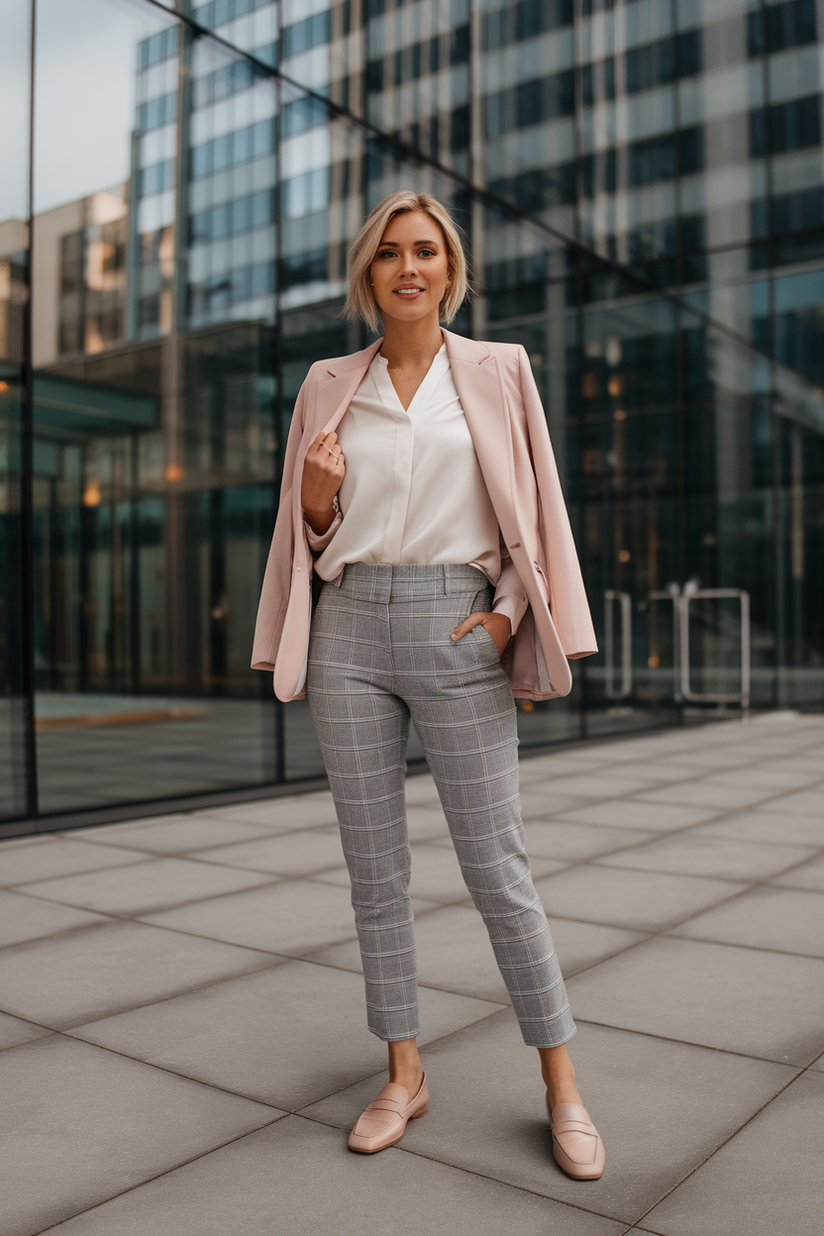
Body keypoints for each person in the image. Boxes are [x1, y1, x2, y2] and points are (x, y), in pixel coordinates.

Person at [252, 191, 604, 1180]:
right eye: (389, 255)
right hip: (349, 627)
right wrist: (318, 505)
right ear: (367, 275)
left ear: (450, 269)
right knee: (376, 879)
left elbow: (532, 501)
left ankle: (561, 1085)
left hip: (459, 621)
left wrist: (501, 616)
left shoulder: (497, 371)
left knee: (498, 870)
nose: (408, 268)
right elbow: (308, 530)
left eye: (426, 252)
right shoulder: (328, 383)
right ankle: (403, 1073)